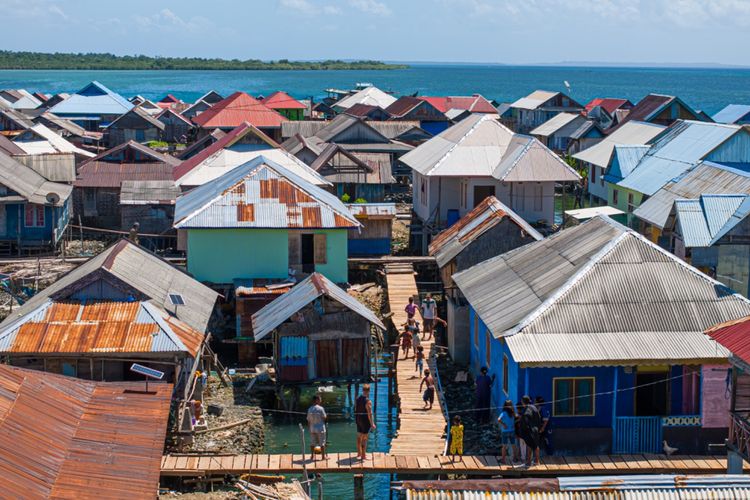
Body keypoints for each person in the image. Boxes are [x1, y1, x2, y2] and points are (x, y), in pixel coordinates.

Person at [355, 384, 375, 461]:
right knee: (365, 438)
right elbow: (370, 414)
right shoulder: (368, 401)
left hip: (358, 419)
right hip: (365, 421)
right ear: (369, 391)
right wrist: (372, 424)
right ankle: (363, 455)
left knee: (359, 436)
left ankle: (359, 453)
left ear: (363, 390)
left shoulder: (358, 398)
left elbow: (356, 409)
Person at [520, 395, 541, 466]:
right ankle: (537, 461)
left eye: (522, 401)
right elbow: (539, 417)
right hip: (536, 429)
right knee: (536, 445)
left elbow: (526, 418)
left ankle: (528, 462)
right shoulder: (534, 407)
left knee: (529, 445)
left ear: (523, 402)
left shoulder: (526, 409)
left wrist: (524, 429)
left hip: (530, 430)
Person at [306, 395, 327, 460]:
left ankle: (312, 456)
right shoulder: (321, 408)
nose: (321, 400)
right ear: (316, 400)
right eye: (320, 399)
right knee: (322, 443)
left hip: (312, 428)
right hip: (320, 428)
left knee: (312, 443)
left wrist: (309, 428)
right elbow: (324, 417)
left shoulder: (310, 409)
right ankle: (323, 457)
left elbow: (308, 420)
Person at [498, 400, 517, 465]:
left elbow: (499, 419)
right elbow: (517, 417)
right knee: (513, 445)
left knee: (504, 446)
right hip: (512, 430)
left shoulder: (503, 413)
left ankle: (503, 460)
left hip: (505, 431)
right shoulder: (513, 413)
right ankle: (515, 458)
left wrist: (504, 424)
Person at [515, 399, 526, 464]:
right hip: (523, 432)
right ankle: (523, 458)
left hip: (520, 433)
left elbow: (516, 425)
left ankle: (521, 458)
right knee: (523, 446)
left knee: (520, 446)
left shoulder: (517, 415)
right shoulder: (524, 414)